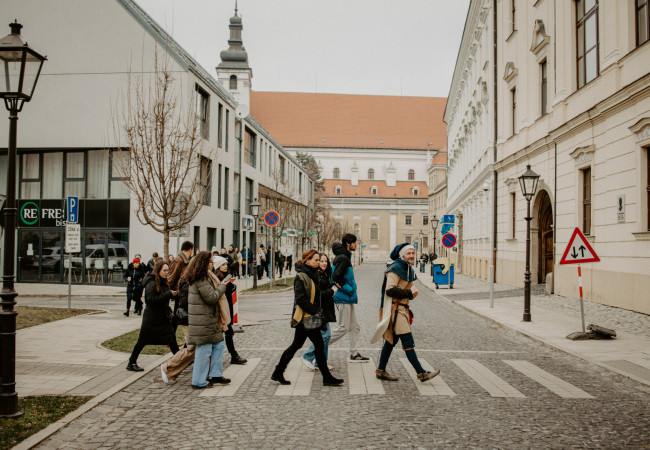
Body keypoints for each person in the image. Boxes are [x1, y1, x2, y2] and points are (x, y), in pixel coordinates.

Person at [271, 249, 344, 387]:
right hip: (306, 318)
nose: (318, 262)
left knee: (301, 345)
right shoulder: (302, 276)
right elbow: (300, 299)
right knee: (316, 345)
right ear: (307, 260)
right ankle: (326, 377)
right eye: (316, 260)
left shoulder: (313, 274)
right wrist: (316, 311)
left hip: (309, 317)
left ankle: (278, 372)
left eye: (319, 260)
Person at [375, 243, 440, 382]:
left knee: (390, 342)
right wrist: (409, 292)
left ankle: (380, 370)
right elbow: (390, 290)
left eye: (413, 253)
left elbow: (404, 292)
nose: (411, 255)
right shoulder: (394, 269)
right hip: (396, 310)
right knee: (407, 341)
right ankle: (421, 373)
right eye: (408, 253)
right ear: (402, 255)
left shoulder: (407, 269)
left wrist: (410, 295)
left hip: (402, 309)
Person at [187, 251, 231, 389]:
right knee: (204, 349)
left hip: (208, 319)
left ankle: (215, 374)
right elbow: (211, 297)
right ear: (204, 263)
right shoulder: (201, 278)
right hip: (203, 320)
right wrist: (222, 286)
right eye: (211, 262)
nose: (213, 264)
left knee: (218, 345)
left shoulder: (205, 276)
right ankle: (198, 381)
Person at [126, 259, 180, 372]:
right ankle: (131, 362)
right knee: (142, 340)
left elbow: (163, 295)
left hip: (162, 316)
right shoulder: (152, 282)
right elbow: (150, 300)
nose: (167, 272)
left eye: (168, 270)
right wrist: (168, 294)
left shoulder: (162, 280)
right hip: (152, 318)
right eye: (164, 270)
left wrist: (172, 294)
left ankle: (180, 361)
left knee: (171, 339)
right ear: (158, 270)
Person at [328, 233, 369, 362]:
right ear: (348, 243)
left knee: (355, 327)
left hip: (348, 297)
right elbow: (336, 277)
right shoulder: (343, 258)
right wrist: (349, 289)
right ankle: (314, 348)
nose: (356, 245)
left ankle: (354, 353)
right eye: (354, 243)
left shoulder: (345, 257)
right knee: (343, 328)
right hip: (343, 297)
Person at [301, 253, 336, 371]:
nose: (324, 263)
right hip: (319, 310)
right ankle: (308, 356)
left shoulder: (324, 274)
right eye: (321, 261)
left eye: (326, 261)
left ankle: (321, 363)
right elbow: (318, 294)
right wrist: (331, 291)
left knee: (325, 336)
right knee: (325, 336)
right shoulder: (317, 275)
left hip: (324, 310)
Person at [214, 256, 247, 365]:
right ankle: (233, 355)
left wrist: (231, 286)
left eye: (226, 264)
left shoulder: (225, 276)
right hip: (220, 309)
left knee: (229, 332)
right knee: (225, 332)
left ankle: (234, 355)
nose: (225, 266)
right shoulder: (215, 278)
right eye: (222, 265)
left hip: (227, 307)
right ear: (217, 266)